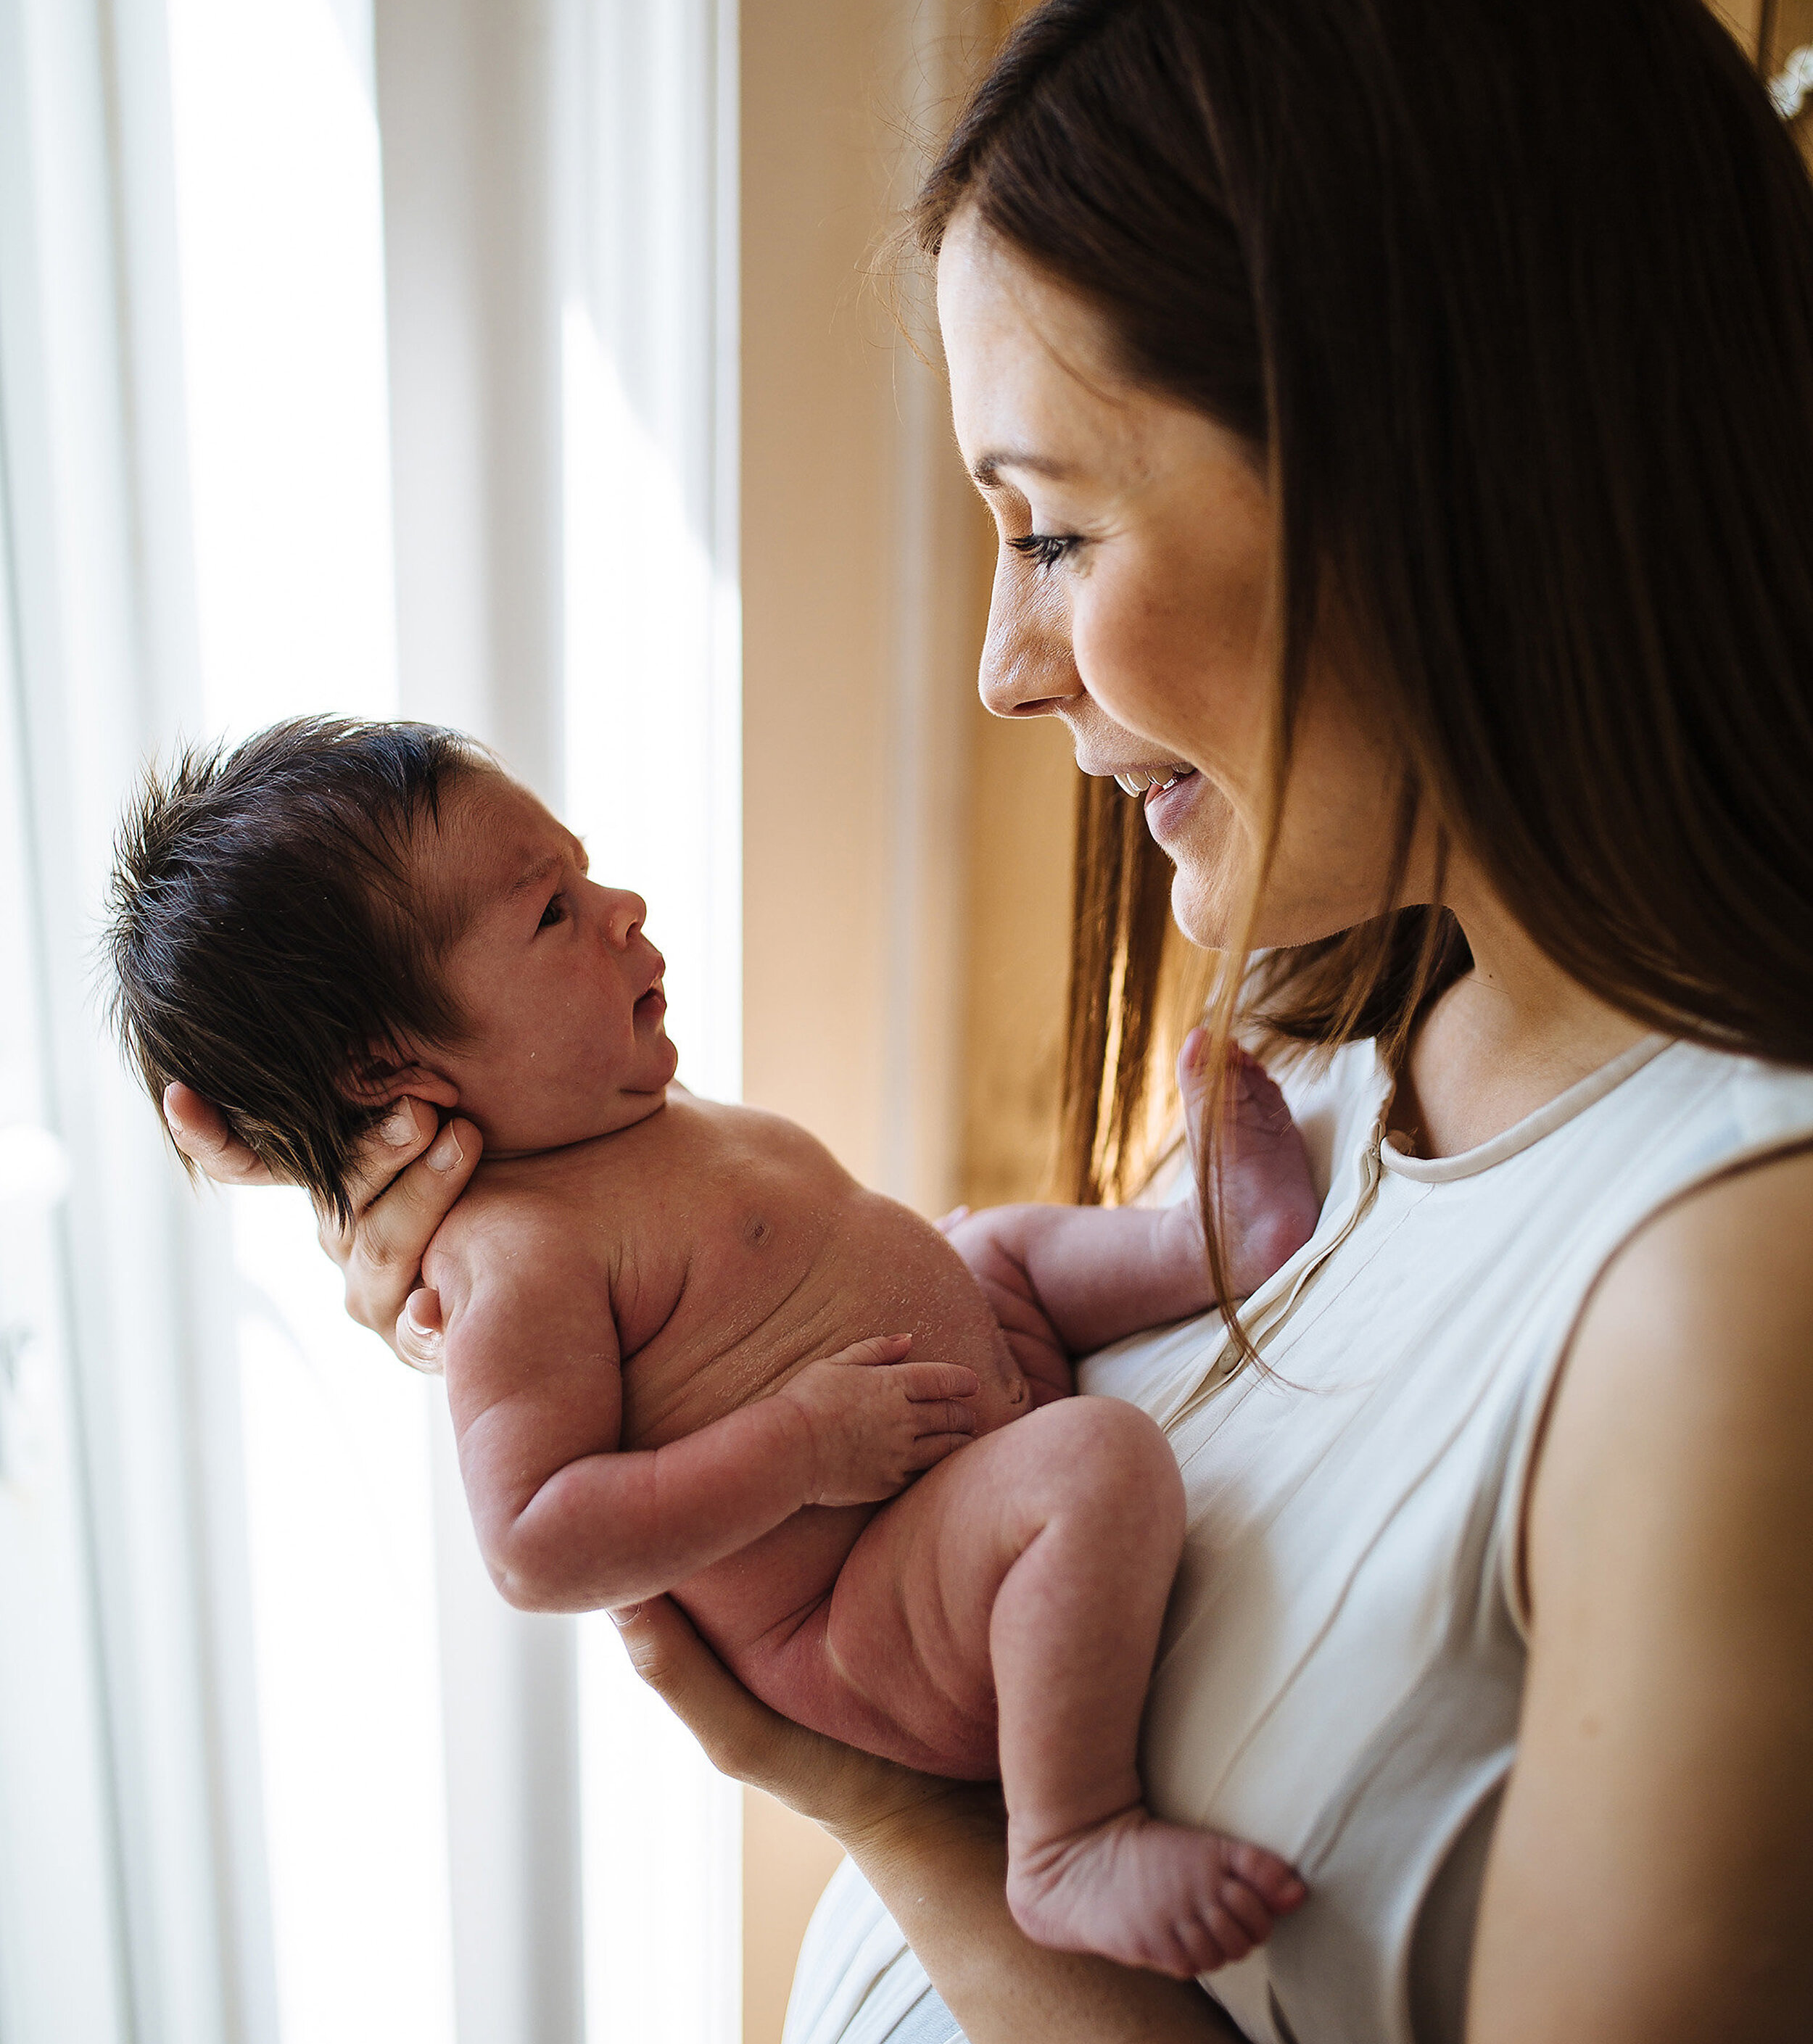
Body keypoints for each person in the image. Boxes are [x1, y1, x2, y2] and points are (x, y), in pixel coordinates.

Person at [168, 0, 1813, 2044]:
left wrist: (899, 1828)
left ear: (1425, 473)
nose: (999, 660)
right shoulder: (1365, 1075)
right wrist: (522, 1273)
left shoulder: (1728, 1311)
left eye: (1049, 529)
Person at [113, 719, 1316, 1974]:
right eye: (552, 914)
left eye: (586, 875)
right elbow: (536, 1535)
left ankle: (1216, 1243)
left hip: (941, 1441)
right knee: (1093, 1461)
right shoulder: (515, 1255)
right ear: (388, 1069)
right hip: (870, 1604)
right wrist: (802, 1445)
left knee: (986, 1247)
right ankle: (1072, 1835)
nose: (621, 907)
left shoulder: (610, 1114)